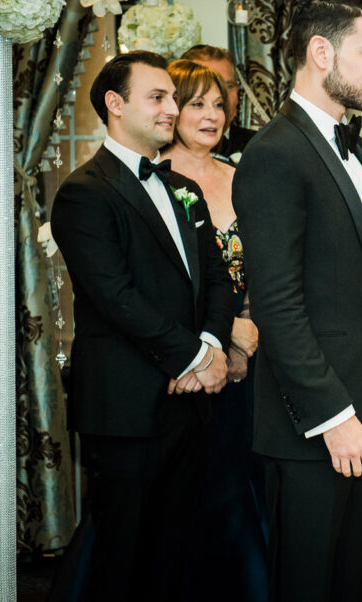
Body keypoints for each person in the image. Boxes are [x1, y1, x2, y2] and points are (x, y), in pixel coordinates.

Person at [232, 0, 362, 601]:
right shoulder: (274, 154)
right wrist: (333, 417)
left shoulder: (359, 150)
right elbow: (277, 305)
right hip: (314, 425)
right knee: (307, 586)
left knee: (349, 583)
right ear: (322, 52)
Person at [50, 50, 236, 601]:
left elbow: (218, 282)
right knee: (122, 557)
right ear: (114, 104)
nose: (170, 109)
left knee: (176, 554)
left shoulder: (184, 187)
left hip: (190, 407)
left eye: (171, 98)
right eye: (158, 97)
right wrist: (196, 359)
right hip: (126, 407)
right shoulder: (84, 192)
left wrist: (207, 343)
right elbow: (116, 297)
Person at [160, 59, 266, 601]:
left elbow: (271, 268)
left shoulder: (242, 177)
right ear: (172, 108)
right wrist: (214, 347)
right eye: (196, 103)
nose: (210, 115)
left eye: (219, 105)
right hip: (181, 369)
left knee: (238, 486)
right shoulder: (153, 179)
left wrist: (248, 332)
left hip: (251, 360)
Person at [182, 44, 255, 160]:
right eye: (207, 88)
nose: (221, 97)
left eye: (229, 86)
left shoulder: (258, 145)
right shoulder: (159, 153)